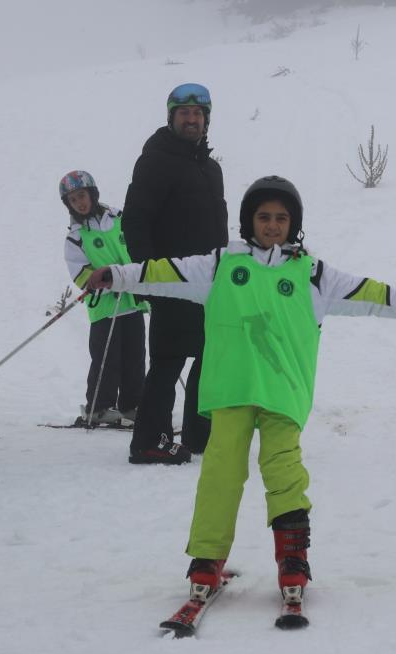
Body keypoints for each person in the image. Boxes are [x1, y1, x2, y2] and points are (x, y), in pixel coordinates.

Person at [87, 175, 396, 614]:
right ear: (248, 221)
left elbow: (369, 293)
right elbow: (163, 272)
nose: (272, 225)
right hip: (232, 389)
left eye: (281, 218)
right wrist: (114, 276)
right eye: (263, 217)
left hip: (283, 392)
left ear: (292, 223)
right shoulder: (221, 265)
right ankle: (206, 562)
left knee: (283, 470)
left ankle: (293, 560)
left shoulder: (313, 273)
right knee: (221, 471)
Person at [121, 82, 228, 464]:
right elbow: (135, 221)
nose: (192, 119)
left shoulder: (209, 167)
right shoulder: (155, 160)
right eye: (184, 113)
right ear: (172, 117)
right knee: (167, 361)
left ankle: (200, 433)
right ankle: (149, 439)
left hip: (208, 281)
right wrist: (149, 276)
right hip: (170, 278)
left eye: (198, 114)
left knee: (209, 355)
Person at [60, 170, 147, 427]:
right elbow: (79, 271)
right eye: (73, 200)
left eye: (82, 196)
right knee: (107, 356)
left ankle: (132, 404)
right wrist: (102, 281)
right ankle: (97, 406)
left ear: (92, 194)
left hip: (131, 299)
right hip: (106, 304)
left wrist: (139, 275)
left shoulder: (119, 219)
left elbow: (135, 247)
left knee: (135, 354)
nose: (80, 203)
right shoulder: (76, 237)